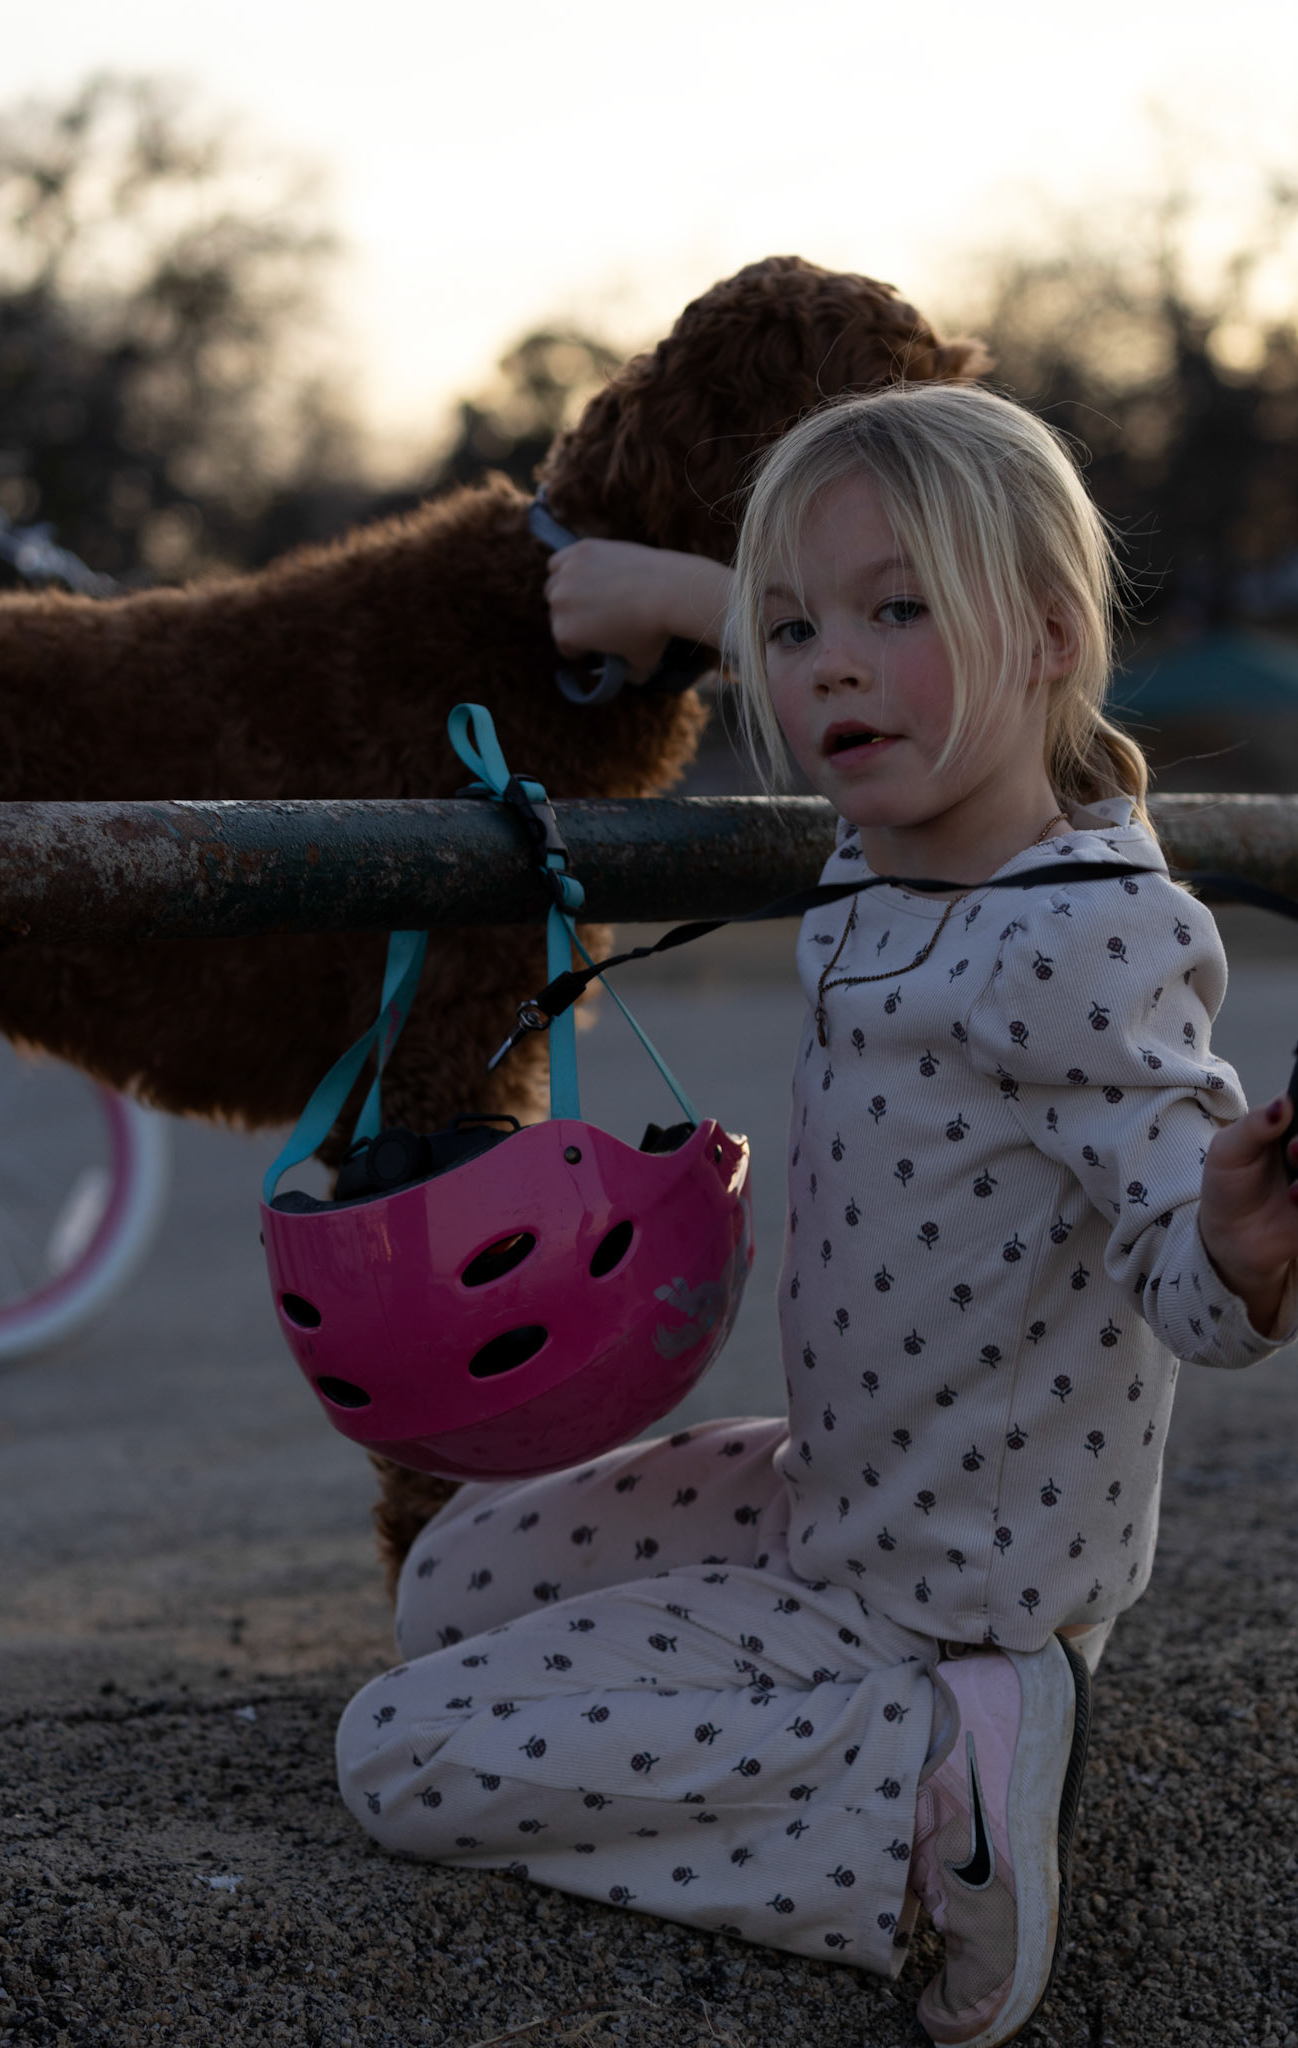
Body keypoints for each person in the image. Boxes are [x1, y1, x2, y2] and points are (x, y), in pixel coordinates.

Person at [335, 384, 1298, 2048]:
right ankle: (932, 1716)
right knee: (455, 1577)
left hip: (950, 1579)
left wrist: (1234, 1238)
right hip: (834, 1494)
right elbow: (822, 609)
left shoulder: (1083, 934)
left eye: (897, 611)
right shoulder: (894, 840)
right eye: (793, 633)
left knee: (398, 1749)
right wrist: (670, 591)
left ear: (1050, 639)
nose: (828, 662)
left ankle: (917, 1792)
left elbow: (1185, 1277)